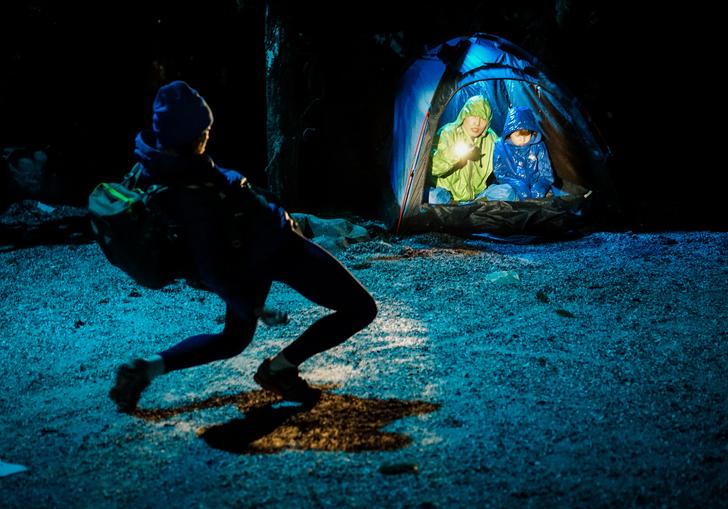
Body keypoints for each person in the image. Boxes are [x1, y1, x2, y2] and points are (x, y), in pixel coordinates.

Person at [108, 81, 377, 411]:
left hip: (244, 257)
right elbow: (208, 260)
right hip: (274, 250)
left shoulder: (150, 165)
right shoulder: (193, 191)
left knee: (232, 340)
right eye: (203, 129)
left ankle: (147, 368)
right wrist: (254, 309)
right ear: (192, 134)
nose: (207, 135)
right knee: (360, 308)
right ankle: (280, 369)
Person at [428, 95, 500, 203]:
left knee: (507, 191)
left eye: (483, 118)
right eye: (473, 116)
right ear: (464, 115)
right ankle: (457, 207)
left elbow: (505, 161)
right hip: (447, 196)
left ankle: (474, 205)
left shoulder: (490, 138)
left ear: (488, 122)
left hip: (477, 196)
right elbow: (432, 168)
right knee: (433, 197)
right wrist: (456, 153)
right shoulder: (447, 133)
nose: (477, 123)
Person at [493, 106, 555, 200]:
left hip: (535, 184)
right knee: (518, 195)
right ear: (509, 133)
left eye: (526, 134)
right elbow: (499, 173)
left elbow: (547, 173)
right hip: (512, 186)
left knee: (538, 194)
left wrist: (541, 185)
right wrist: (517, 184)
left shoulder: (538, 145)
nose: (522, 139)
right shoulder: (501, 146)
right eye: (518, 135)